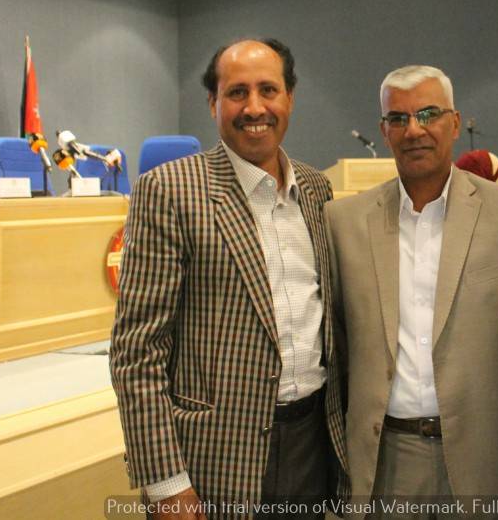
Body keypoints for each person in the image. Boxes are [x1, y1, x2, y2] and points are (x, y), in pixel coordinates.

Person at [110, 38, 347, 520]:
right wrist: (166, 484)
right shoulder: (169, 191)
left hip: (313, 444)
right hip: (214, 460)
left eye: (268, 90)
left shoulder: (316, 190)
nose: (254, 107)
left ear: (290, 98)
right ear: (213, 103)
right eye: (237, 92)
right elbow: (137, 352)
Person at [324, 65, 498, 515]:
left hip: (488, 459)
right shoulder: (343, 223)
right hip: (386, 463)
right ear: (384, 131)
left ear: (454, 121)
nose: (414, 130)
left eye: (428, 114)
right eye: (398, 118)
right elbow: (338, 352)